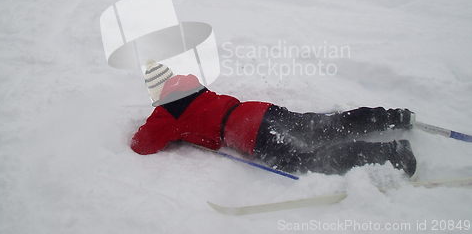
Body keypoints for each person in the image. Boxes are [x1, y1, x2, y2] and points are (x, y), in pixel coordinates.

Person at [131, 61, 417, 176]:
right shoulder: (194, 88)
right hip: (261, 111)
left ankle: (391, 152)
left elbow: (142, 144)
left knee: (307, 159)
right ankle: (393, 117)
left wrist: (163, 120)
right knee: (325, 126)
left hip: (251, 132)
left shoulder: (167, 113)